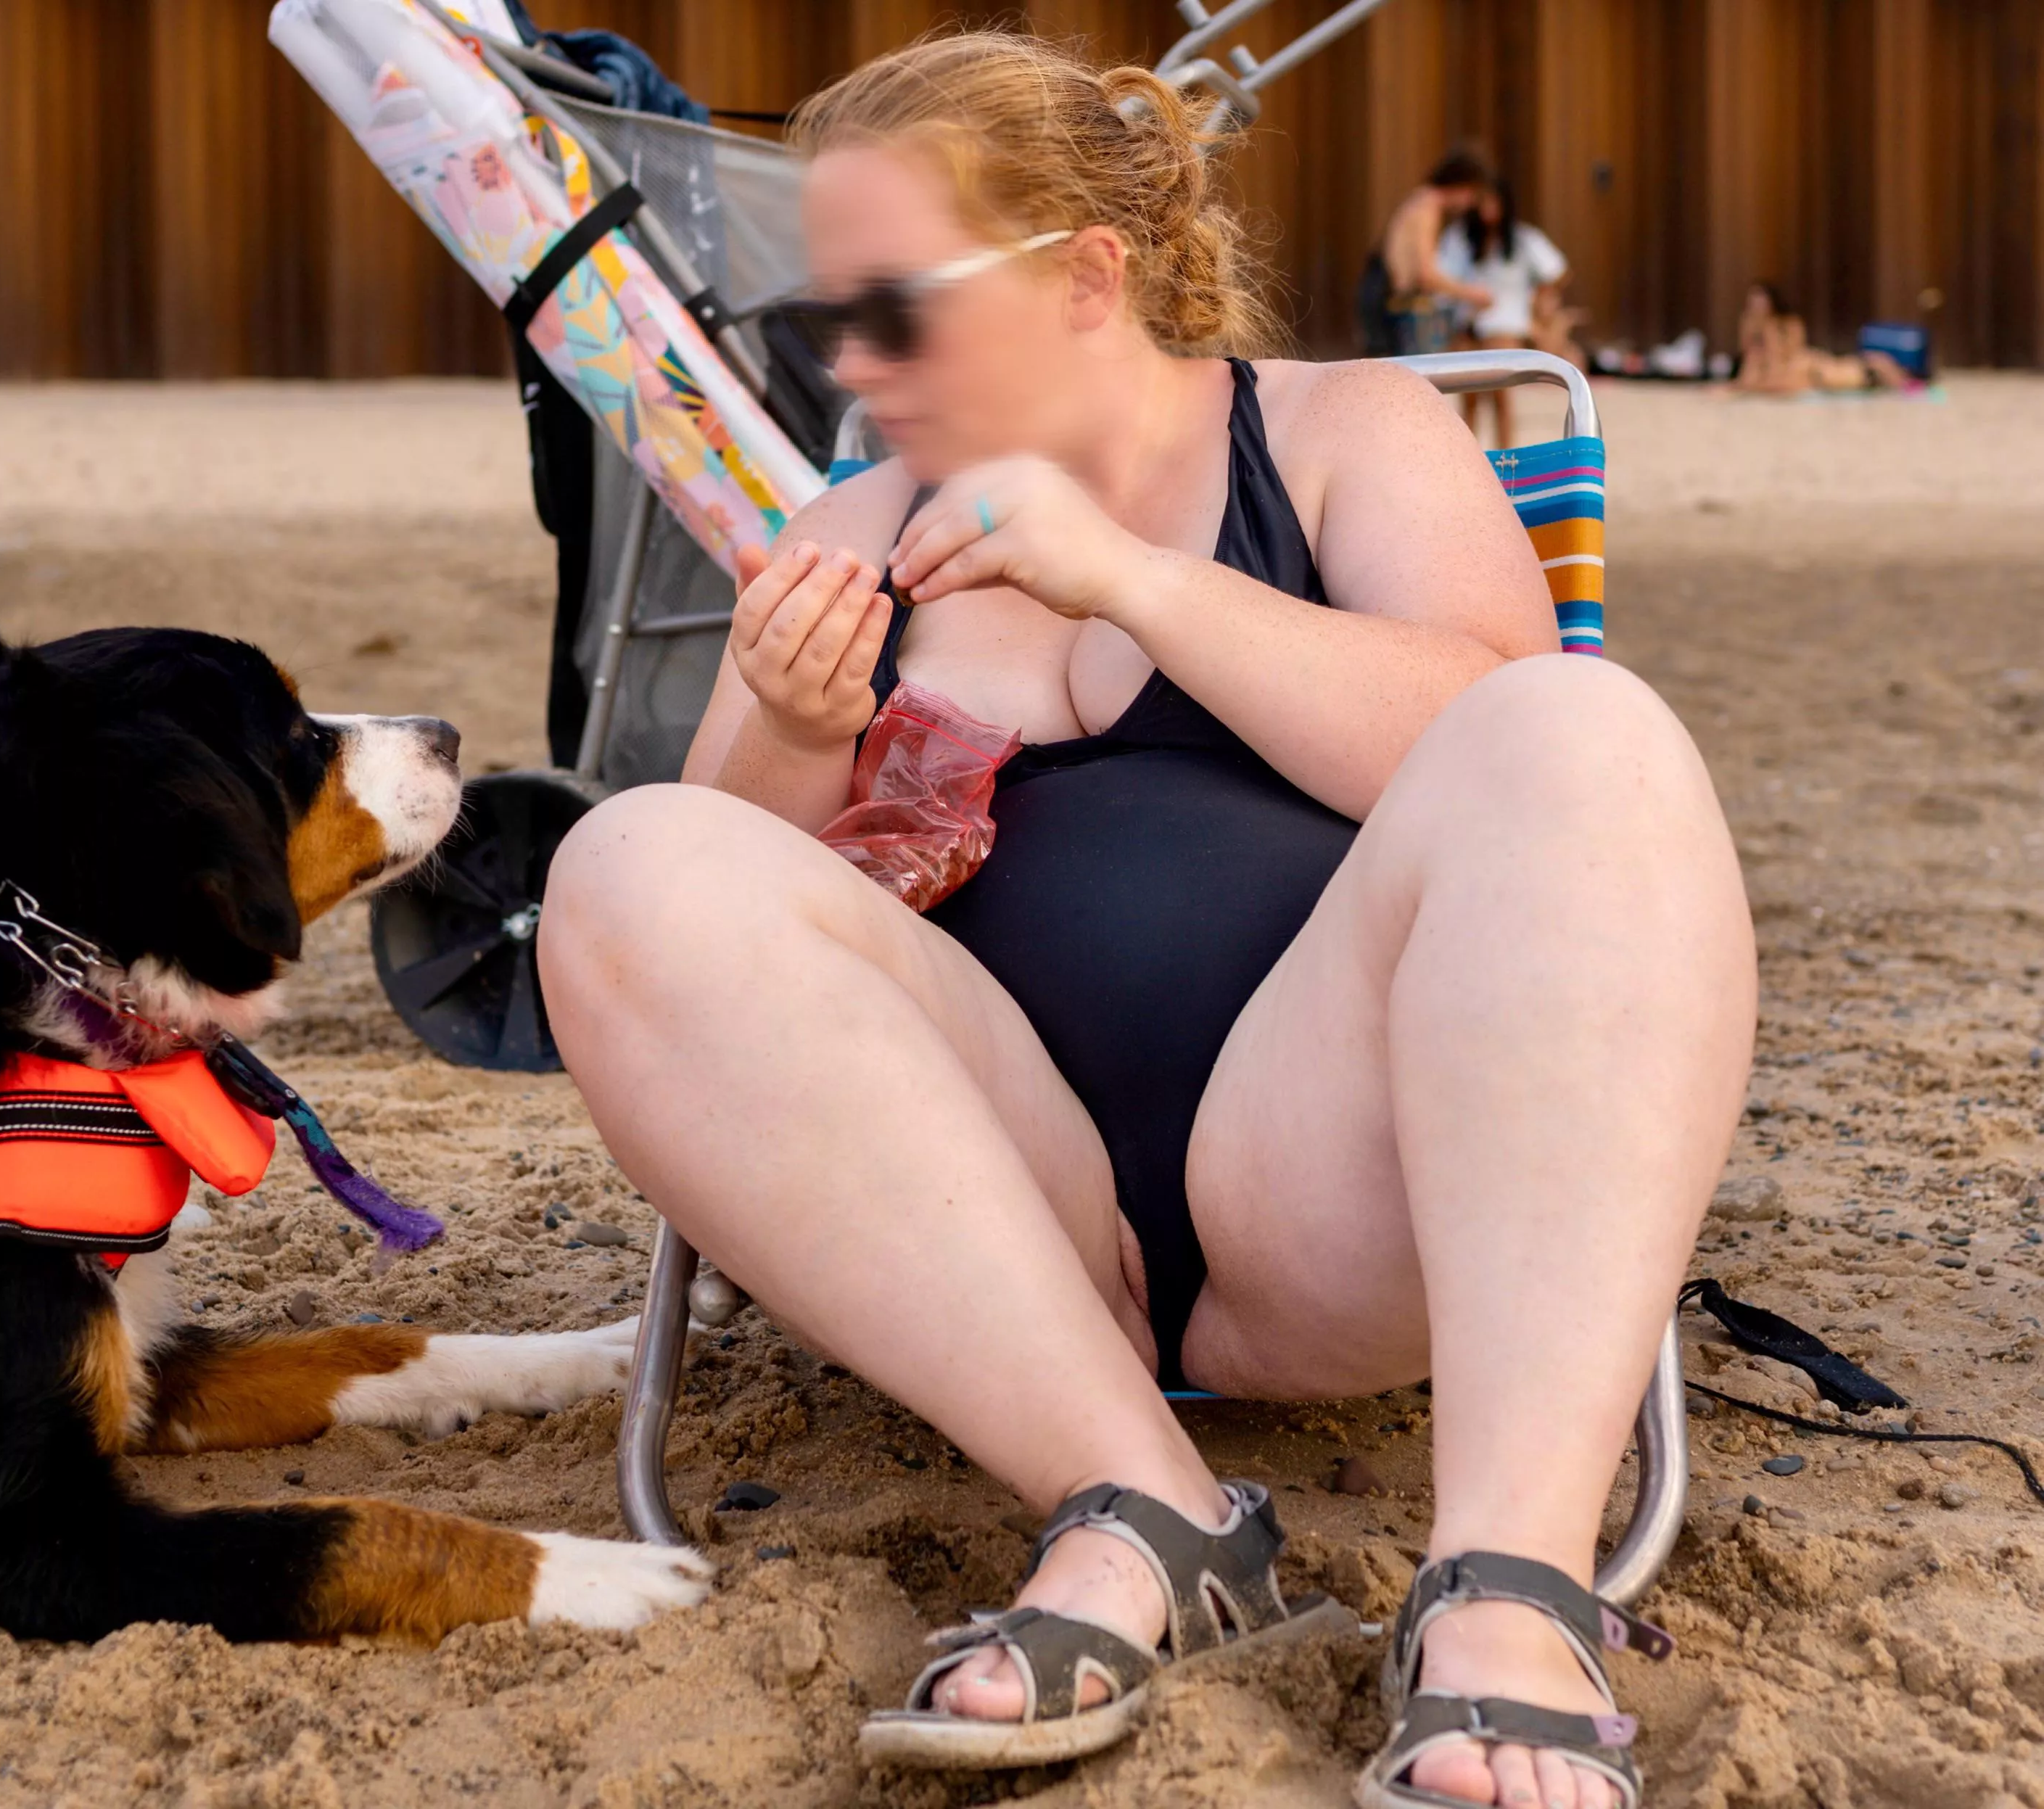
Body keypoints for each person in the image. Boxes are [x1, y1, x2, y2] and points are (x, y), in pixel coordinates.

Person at [539, 32, 1752, 1809]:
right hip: (996, 1228)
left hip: (1328, 1182)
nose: (854, 367)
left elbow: (1497, 737)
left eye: (897, 311)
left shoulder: (1341, 432)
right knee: (627, 857)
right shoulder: (858, 521)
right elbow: (688, 954)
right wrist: (798, 726)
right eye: (826, 321)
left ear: (1086, 277)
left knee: (1587, 729)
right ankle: (1142, 1506)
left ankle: (1509, 1584)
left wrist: (1130, 579)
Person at [1438, 179, 1576, 446]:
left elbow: (1558, 271)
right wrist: (1468, 295)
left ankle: (1504, 456)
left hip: (1505, 323)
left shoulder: (1523, 239)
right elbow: (1442, 277)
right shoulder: (1460, 239)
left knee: (1501, 394)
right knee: (1468, 397)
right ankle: (1468, 455)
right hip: (1470, 322)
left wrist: (1539, 300)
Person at [1359, 149, 1496, 355]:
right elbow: (1425, 275)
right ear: (1462, 185)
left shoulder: (1422, 202)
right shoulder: (1427, 207)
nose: (1469, 205)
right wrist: (1471, 294)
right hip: (1387, 300)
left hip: (1387, 297)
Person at [1734, 281, 1912, 395]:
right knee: (1869, 367)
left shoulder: (1788, 327)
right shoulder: (1755, 345)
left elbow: (1792, 348)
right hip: (1825, 374)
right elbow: (1748, 370)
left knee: (1874, 364)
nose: (1756, 307)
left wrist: (1770, 333)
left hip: (1815, 365)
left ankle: (1903, 380)